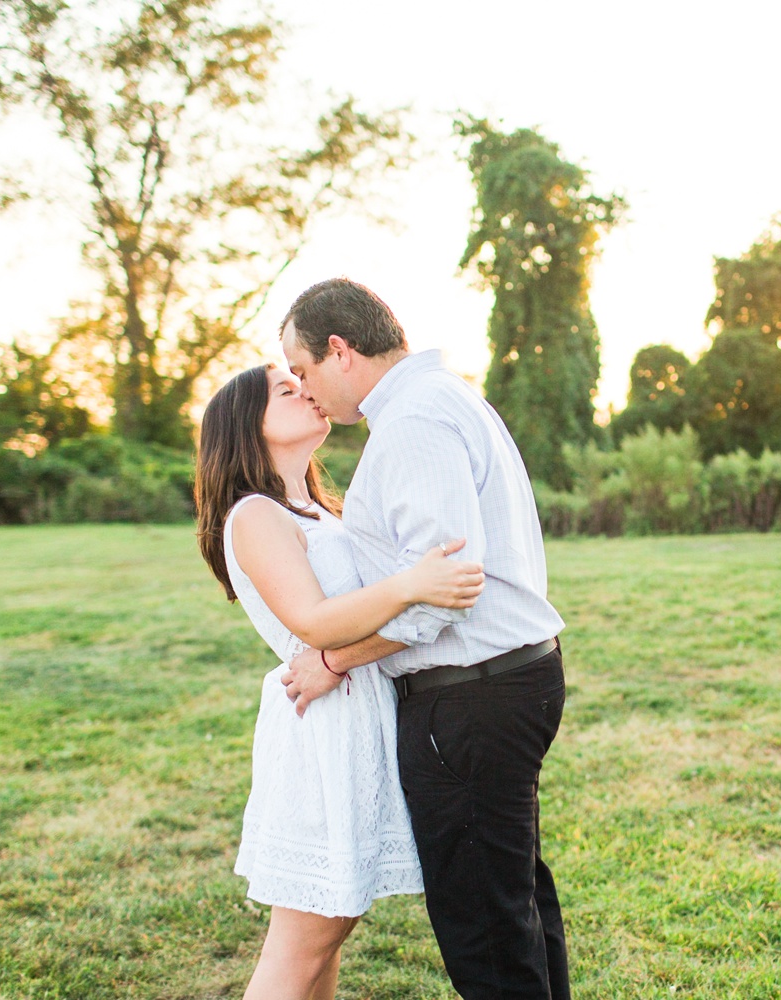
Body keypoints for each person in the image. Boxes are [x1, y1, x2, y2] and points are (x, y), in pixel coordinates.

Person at [277, 277, 571, 1000]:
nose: (305, 390)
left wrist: (333, 661)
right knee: (516, 903)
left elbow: (441, 593)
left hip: (471, 696)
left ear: (340, 350)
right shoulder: (443, 398)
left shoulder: (412, 420)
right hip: (502, 683)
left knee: (485, 926)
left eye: (304, 370)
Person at [194, 362, 487, 1000]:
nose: (306, 391)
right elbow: (314, 621)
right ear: (246, 425)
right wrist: (412, 584)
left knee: (333, 925)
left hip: (356, 717)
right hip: (319, 733)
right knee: (305, 941)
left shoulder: (317, 511)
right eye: (284, 389)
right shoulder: (255, 515)